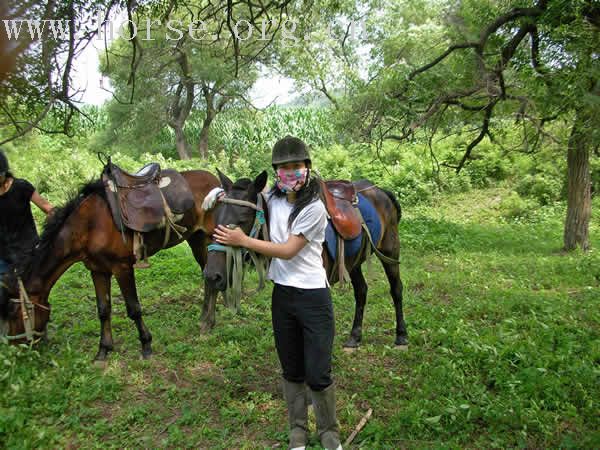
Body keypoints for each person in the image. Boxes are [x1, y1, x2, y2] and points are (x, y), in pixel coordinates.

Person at [214, 136, 342, 450]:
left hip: (313, 297)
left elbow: (287, 251)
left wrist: (243, 241)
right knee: (291, 369)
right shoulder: (273, 198)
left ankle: (329, 432)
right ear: (276, 172)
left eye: (296, 167)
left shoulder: (313, 208)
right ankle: (298, 429)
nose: (290, 173)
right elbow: (244, 197)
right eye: (283, 168)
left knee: (318, 372)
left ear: (307, 168)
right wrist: (216, 195)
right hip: (282, 297)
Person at [0, 149, 54, 278]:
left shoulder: (21, 187)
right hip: (2, 256)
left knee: (30, 292)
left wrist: (50, 235)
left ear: (4, 172)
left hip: (27, 252)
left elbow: (47, 208)